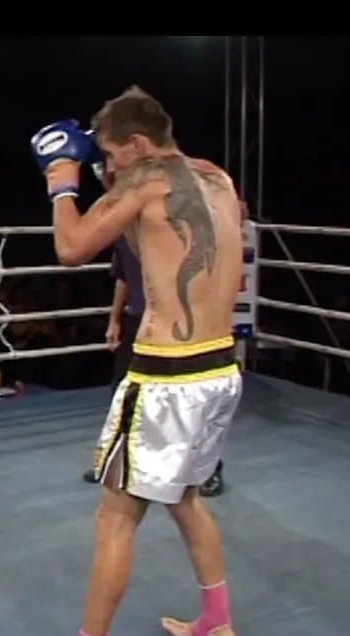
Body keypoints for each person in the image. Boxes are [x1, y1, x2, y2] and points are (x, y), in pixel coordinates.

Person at [22, 87, 244, 636]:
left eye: (112, 154)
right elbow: (162, 243)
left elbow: (70, 248)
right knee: (185, 496)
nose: (109, 164)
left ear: (140, 144)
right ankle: (217, 619)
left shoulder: (144, 183)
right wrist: (110, 185)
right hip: (220, 369)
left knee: (115, 517)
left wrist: (62, 183)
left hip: (165, 378)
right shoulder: (218, 178)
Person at [78, 170, 227, 497]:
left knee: (190, 403)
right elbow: (123, 277)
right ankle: (115, 462)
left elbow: (71, 249)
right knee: (123, 392)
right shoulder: (122, 226)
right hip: (138, 318)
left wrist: (60, 189)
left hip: (175, 324)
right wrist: (114, 319)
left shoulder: (168, 221)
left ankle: (210, 468)